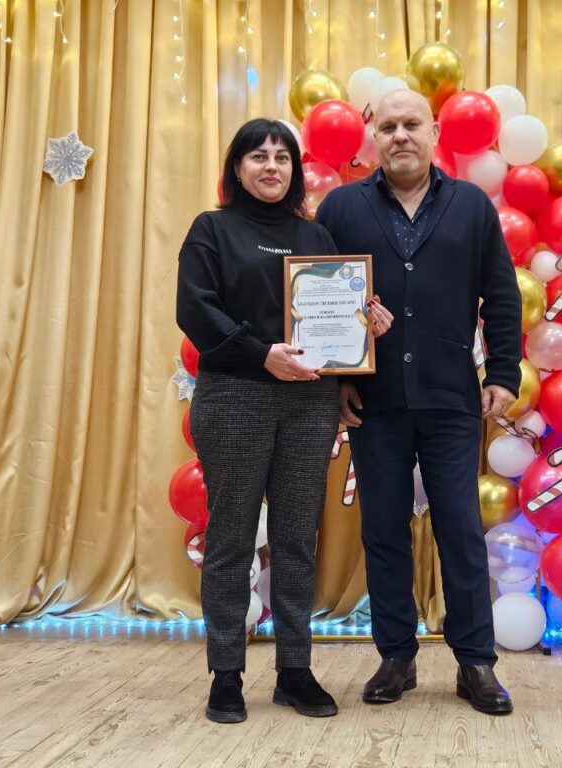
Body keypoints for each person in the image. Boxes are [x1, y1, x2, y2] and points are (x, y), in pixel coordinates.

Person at [177, 118, 393, 724]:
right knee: (231, 537)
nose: (271, 166)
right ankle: (226, 674)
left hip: (310, 402)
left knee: (298, 536)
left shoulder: (317, 236)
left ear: (295, 170)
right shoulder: (212, 229)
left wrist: (365, 328)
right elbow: (195, 309)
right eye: (258, 156)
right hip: (235, 396)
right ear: (237, 167)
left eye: (282, 157)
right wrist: (260, 354)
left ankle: (295, 670)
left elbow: (336, 319)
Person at [315, 90, 522, 715]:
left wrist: (503, 373)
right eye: (388, 126)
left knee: (460, 528)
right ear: (373, 138)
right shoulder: (342, 207)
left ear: (434, 133)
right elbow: (322, 303)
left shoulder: (472, 206)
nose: (400, 135)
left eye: (411, 124)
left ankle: (476, 663)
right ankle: (396, 658)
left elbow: (501, 295)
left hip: (450, 397)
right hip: (374, 400)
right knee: (383, 530)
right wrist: (337, 381)